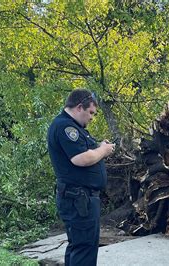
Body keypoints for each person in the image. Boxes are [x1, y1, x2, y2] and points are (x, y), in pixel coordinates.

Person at [47, 89, 115, 266]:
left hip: (80, 198)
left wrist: (99, 146)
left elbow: (85, 152)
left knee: (79, 246)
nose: (92, 118)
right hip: (78, 199)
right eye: (90, 112)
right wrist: (104, 150)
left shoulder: (75, 128)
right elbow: (81, 159)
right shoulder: (65, 127)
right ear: (79, 107)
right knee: (84, 249)